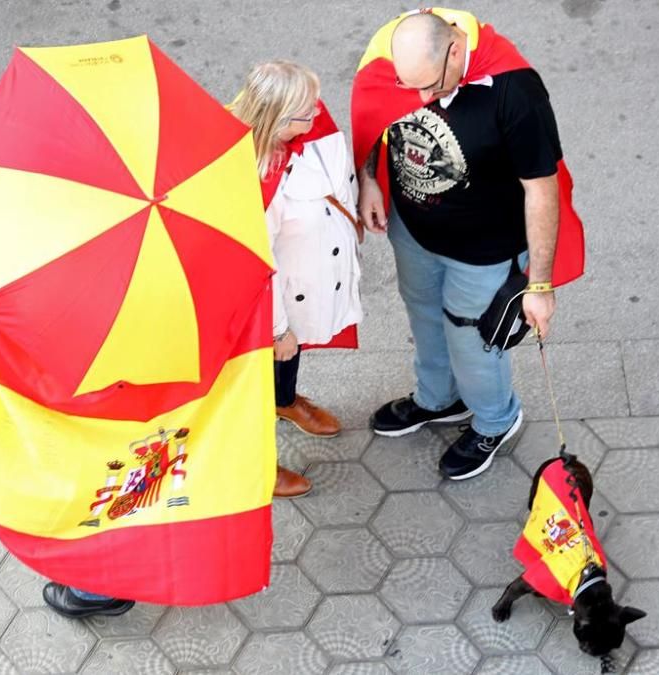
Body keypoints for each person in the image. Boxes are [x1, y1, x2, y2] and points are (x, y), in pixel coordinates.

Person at [351, 9, 584, 481]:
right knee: (422, 314)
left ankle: (495, 420)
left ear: (456, 50)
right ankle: (438, 399)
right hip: (414, 232)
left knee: (473, 341)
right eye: (409, 87)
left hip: (485, 253)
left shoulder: (517, 92)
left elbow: (541, 190)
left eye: (431, 87)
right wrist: (368, 177)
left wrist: (539, 285)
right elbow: (374, 113)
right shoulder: (395, 51)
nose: (419, 100)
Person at [232, 61, 364, 497]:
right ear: (277, 119)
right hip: (270, 300)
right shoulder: (253, 179)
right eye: (305, 111)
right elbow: (255, 263)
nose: (317, 113)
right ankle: (256, 467)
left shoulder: (307, 123)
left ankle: (285, 402)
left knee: (289, 357)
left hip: (304, 281)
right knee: (254, 377)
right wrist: (278, 328)